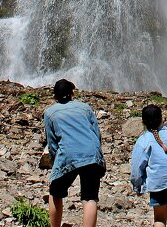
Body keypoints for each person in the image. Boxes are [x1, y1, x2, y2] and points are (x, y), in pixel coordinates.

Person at [43, 79, 106, 227]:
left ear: (54, 96)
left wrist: (54, 163)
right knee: (90, 197)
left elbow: (51, 142)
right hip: (91, 153)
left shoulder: (50, 112)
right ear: (72, 93)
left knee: (55, 192)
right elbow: (96, 134)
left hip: (68, 154)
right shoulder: (85, 108)